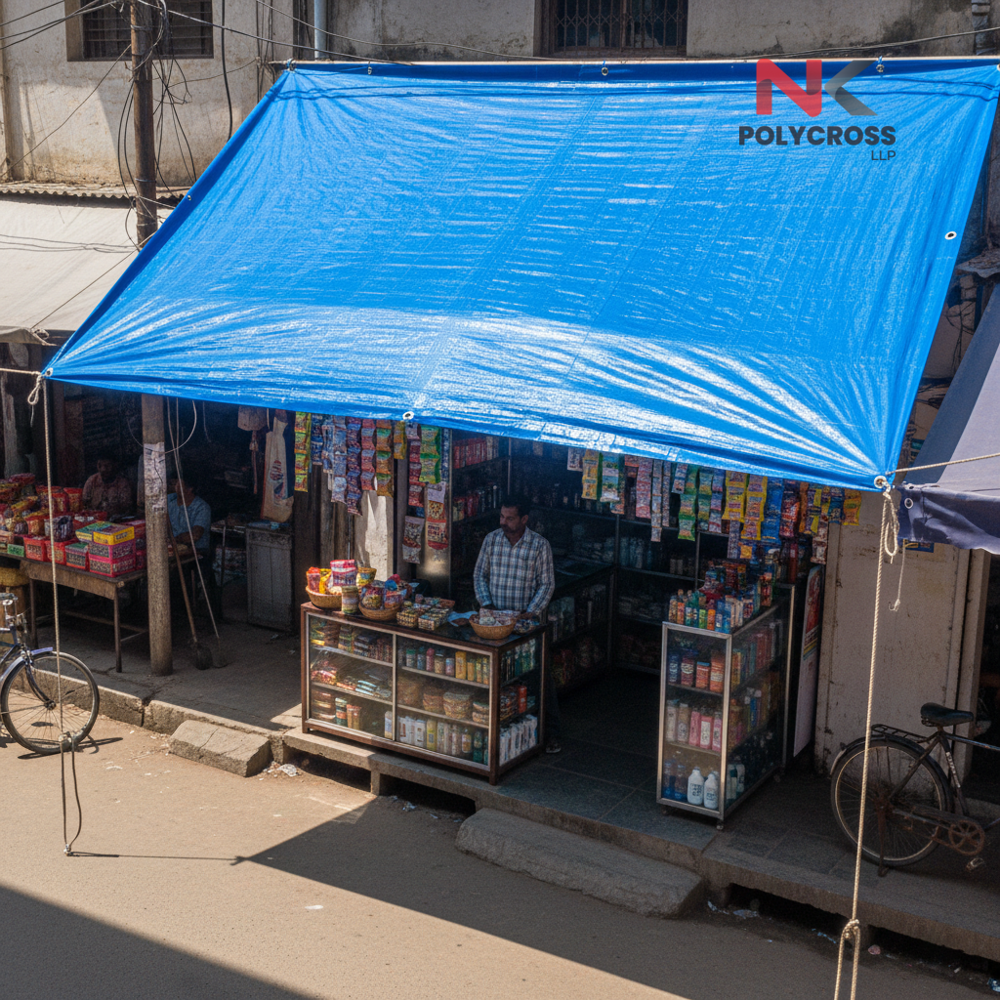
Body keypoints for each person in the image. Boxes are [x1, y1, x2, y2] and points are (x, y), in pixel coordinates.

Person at [473, 494, 562, 753]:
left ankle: (549, 734)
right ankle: (505, 735)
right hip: (494, 624)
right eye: (502, 516)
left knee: (537, 678)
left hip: (526, 625)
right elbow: (480, 574)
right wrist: (487, 604)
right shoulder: (492, 540)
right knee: (500, 677)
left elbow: (547, 584)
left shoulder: (538, 545)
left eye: (510, 518)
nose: (504, 522)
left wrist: (530, 613)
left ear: (524, 519)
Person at [167, 478, 212, 554]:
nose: (174, 487)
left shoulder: (202, 507)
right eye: (173, 484)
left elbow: (195, 535)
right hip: (174, 550)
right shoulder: (170, 502)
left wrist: (174, 540)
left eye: (177, 484)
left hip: (197, 553)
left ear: (189, 489)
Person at [81, 452, 134, 517]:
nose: (103, 469)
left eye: (107, 466)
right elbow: (84, 502)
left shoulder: (123, 484)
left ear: (115, 465)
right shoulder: (92, 480)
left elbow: (127, 509)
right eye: (100, 465)